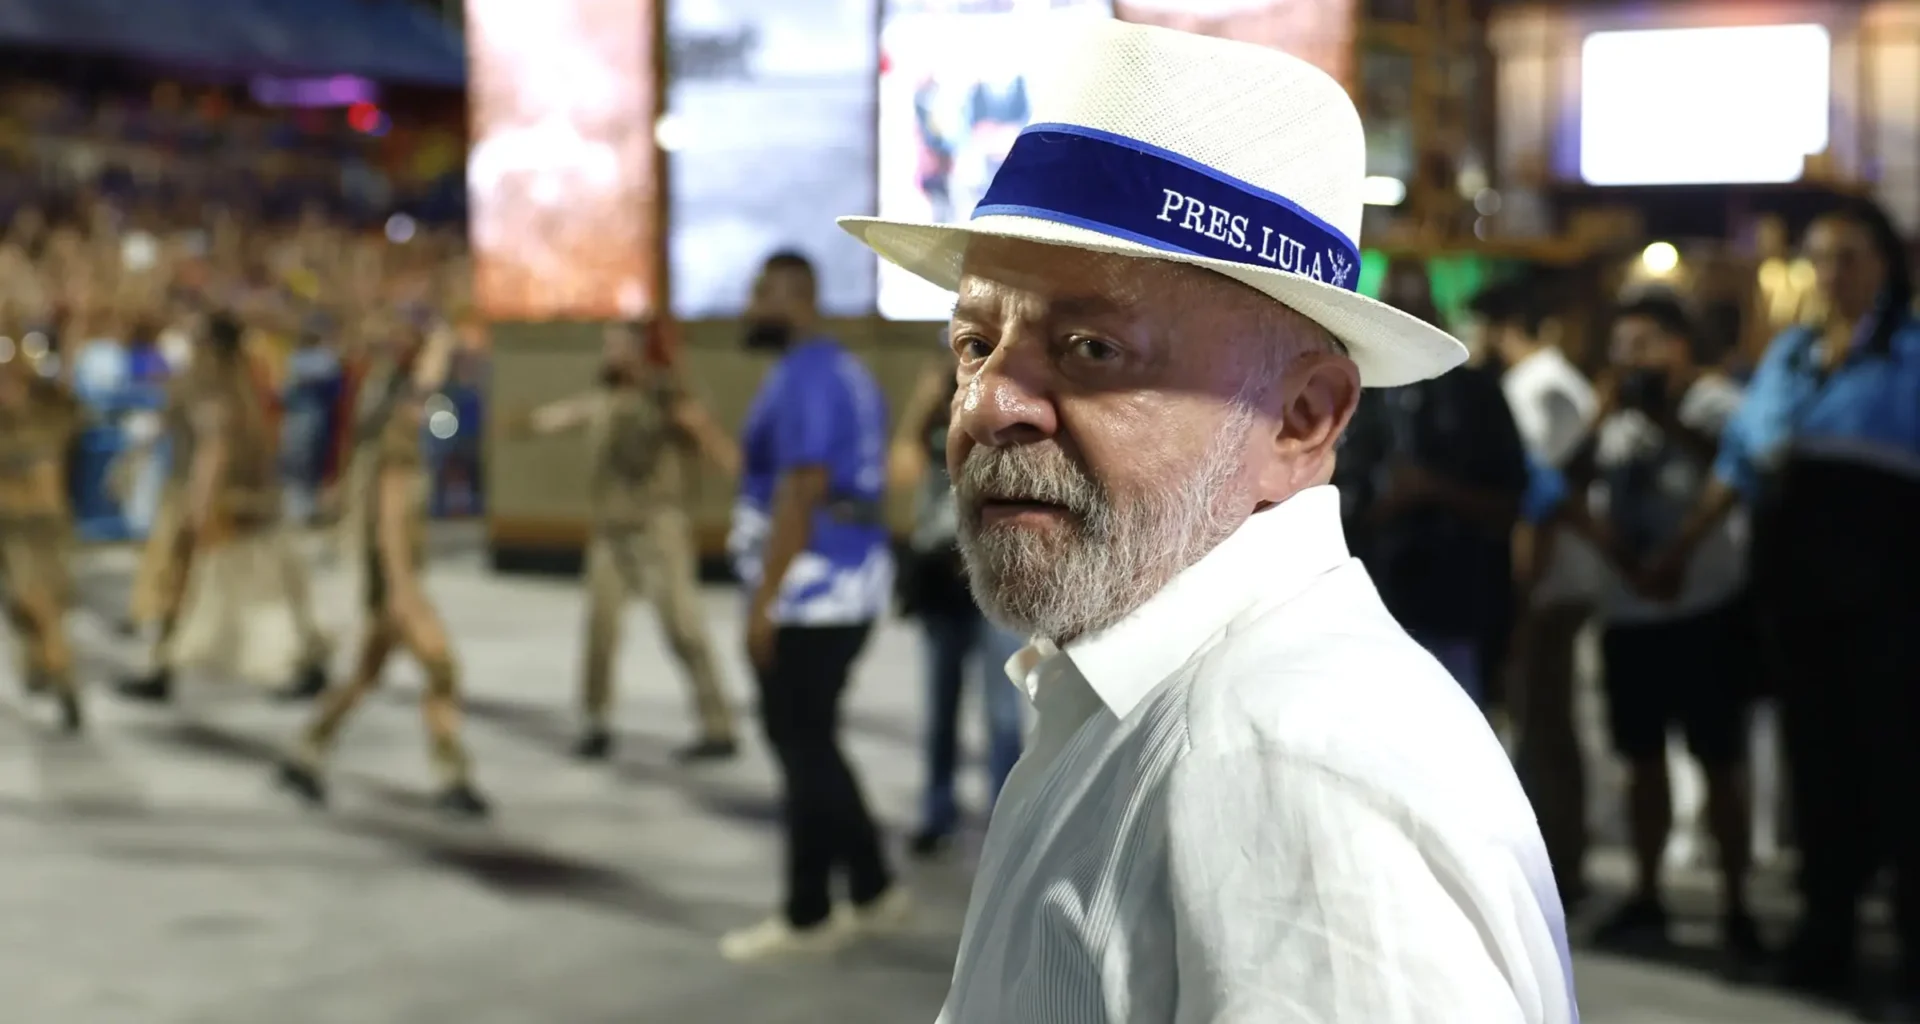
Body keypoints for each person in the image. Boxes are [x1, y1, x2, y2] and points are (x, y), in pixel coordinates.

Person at [837, 22, 1575, 1020]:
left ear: (1300, 419)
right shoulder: (1144, 700)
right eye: (975, 342)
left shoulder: (1286, 774)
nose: (986, 404)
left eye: (1092, 347)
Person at [1646, 197, 1920, 1019]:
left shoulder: (1909, 355)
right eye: (1821, 258)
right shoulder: (1793, 356)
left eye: (1850, 256)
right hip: (1798, 601)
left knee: (1899, 774)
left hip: (1892, 605)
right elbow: (1739, 463)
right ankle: (1824, 940)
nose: (1833, 273)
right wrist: (1680, 549)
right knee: (1818, 769)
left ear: (1886, 264)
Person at [718, 250, 908, 962]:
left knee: (800, 746)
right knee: (813, 740)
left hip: (814, 589)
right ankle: (871, 885)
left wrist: (763, 604)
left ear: (794, 298)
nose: (748, 308)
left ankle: (808, 911)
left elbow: (801, 491)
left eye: (759, 294)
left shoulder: (805, 377)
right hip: (849, 580)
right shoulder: (846, 373)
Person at [1577, 294, 1764, 972]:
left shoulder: (1717, 403)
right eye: (1621, 347)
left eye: (1643, 345)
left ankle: (1737, 904)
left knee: (1719, 761)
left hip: (1705, 608)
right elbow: (1569, 486)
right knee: (1641, 760)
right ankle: (1647, 892)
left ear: (1679, 344)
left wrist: (1662, 417)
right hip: (1630, 612)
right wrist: (1600, 420)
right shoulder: (1613, 412)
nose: (1630, 360)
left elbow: (1739, 470)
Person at [277, 322, 489, 818]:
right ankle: (452, 777)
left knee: (364, 675)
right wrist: (402, 595)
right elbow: (390, 530)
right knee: (441, 669)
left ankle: (306, 751)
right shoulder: (396, 451)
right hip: (399, 588)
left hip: (394, 588)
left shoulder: (406, 438)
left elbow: (436, 402)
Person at [510, 320, 741, 763]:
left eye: (616, 344)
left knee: (683, 627)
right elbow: (569, 413)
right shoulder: (608, 398)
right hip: (610, 533)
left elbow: (708, 439)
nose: (608, 352)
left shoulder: (665, 398)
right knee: (600, 628)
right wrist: (527, 423)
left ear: (639, 350)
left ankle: (718, 726)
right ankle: (595, 721)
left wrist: (741, 473)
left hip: (657, 529)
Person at [117, 314, 331, 704]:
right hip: (246, 501)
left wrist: (198, 510)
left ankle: (296, 662)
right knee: (197, 587)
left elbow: (213, 450)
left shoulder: (215, 392)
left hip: (218, 503)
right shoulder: (239, 386)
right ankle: (161, 667)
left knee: (243, 590)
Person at [1473, 276, 1600, 909]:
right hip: (1553, 579)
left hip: (1547, 581)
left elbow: (1541, 499)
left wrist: (1522, 591)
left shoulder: (1538, 389)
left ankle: (1559, 867)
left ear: (1503, 328)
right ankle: (1558, 863)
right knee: (1542, 723)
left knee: (1544, 724)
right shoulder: (1556, 383)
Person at [1350, 261, 1528, 705]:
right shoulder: (1357, 393)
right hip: (1367, 610)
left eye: (1415, 310)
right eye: (1394, 308)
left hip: (1458, 608)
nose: (1405, 323)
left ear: (1436, 316)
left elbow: (1511, 501)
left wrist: (1433, 490)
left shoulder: (1476, 394)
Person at [889, 349, 1025, 858]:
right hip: (940, 577)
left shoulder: (1003, 409)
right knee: (940, 706)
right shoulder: (933, 419)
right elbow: (900, 472)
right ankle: (937, 810)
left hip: (995, 576)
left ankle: (1007, 820)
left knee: (1002, 711)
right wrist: (921, 405)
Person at [0, 351, 85, 732]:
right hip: (9, 532)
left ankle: (64, 680)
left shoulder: (47, 421)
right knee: (21, 608)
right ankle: (41, 666)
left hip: (41, 533)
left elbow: (44, 495)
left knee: (42, 606)